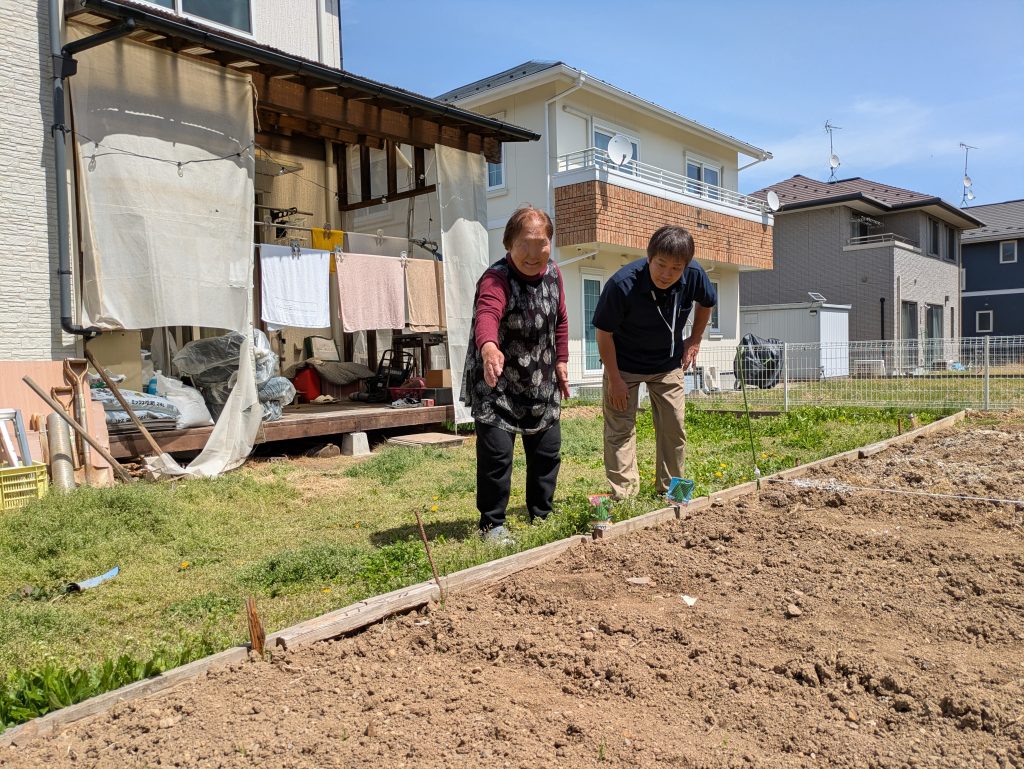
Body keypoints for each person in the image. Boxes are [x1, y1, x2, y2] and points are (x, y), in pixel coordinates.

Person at [462, 206, 570, 542]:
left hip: (541, 381)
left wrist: (562, 361)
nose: (533, 253)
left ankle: (542, 512)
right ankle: (492, 523)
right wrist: (489, 348)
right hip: (499, 383)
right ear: (509, 243)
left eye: (541, 243)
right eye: (525, 243)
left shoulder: (554, 274)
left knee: (547, 451)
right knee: (496, 455)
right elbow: (487, 314)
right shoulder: (496, 278)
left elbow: (561, 320)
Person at [591, 225, 717, 499]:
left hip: (667, 364)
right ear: (649, 258)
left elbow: (707, 302)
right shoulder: (622, 284)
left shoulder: (694, 275)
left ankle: (674, 493)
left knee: (675, 426)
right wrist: (614, 379)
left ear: (686, 266)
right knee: (620, 429)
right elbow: (603, 333)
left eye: (676, 268)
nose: (666, 274)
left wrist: (694, 339)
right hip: (623, 365)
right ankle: (624, 496)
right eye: (661, 265)